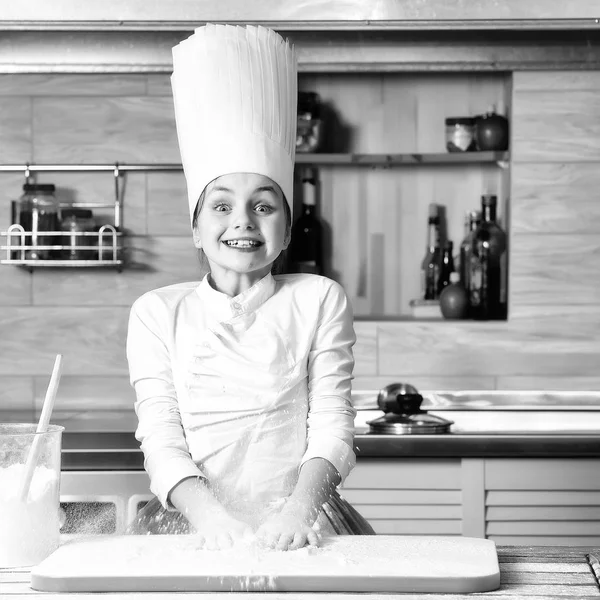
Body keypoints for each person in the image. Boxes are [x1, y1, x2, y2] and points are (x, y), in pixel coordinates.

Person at [126, 23, 374, 551]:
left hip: (306, 524)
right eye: (221, 206)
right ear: (196, 228)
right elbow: (161, 436)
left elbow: (333, 423)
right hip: (192, 522)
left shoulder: (318, 298)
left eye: (263, 206)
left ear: (286, 227)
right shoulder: (156, 311)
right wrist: (212, 519)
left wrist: (297, 512)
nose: (243, 222)